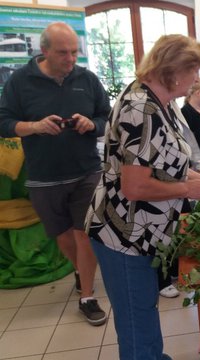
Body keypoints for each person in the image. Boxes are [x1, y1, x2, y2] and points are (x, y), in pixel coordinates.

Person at [85, 34, 200, 360]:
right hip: (123, 234)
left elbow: (169, 166)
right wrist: (189, 189)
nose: (198, 78)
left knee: (143, 311)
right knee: (136, 322)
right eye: (194, 69)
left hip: (144, 234)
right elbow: (135, 187)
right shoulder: (140, 110)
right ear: (172, 70)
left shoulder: (162, 102)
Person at [0, 22, 110, 326]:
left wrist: (92, 124)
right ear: (44, 51)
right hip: (44, 176)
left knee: (84, 234)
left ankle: (86, 295)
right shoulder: (20, 82)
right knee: (63, 238)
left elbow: (106, 116)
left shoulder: (87, 79)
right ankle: (81, 272)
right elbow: (4, 121)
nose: (71, 59)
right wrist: (34, 127)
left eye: (75, 52)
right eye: (63, 53)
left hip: (87, 170)